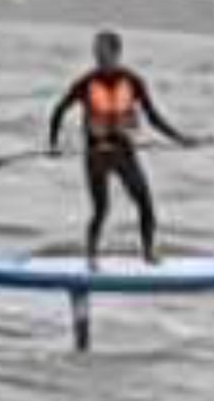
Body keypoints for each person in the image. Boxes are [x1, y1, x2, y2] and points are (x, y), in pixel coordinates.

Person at [48, 30, 196, 269]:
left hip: (124, 153)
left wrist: (181, 139)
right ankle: (92, 258)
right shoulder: (85, 82)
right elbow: (58, 111)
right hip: (96, 155)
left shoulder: (133, 81)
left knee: (146, 205)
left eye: (102, 51)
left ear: (116, 52)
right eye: (95, 51)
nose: (97, 55)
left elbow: (154, 118)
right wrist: (53, 144)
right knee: (101, 209)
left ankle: (148, 253)